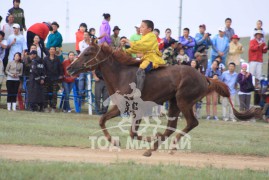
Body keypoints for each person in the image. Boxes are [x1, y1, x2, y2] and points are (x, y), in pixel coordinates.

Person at [121, 20, 166, 92]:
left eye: (142, 26)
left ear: (149, 29)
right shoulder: (144, 37)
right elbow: (136, 48)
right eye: (140, 26)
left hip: (152, 58)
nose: (140, 28)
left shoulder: (151, 36)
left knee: (140, 70)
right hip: (145, 58)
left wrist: (128, 41)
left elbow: (140, 46)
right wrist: (124, 51)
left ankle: (138, 92)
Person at [43, 47, 63, 113]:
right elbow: (44, 68)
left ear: (55, 51)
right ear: (49, 51)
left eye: (53, 50)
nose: (52, 51)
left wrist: (60, 75)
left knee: (54, 93)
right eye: (51, 49)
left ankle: (53, 107)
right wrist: (44, 75)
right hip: (47, 79)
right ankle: (45, 106)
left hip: (55, 78)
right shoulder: (45, 59)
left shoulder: (57, 59)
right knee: (45, 93)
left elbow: (60, 68)